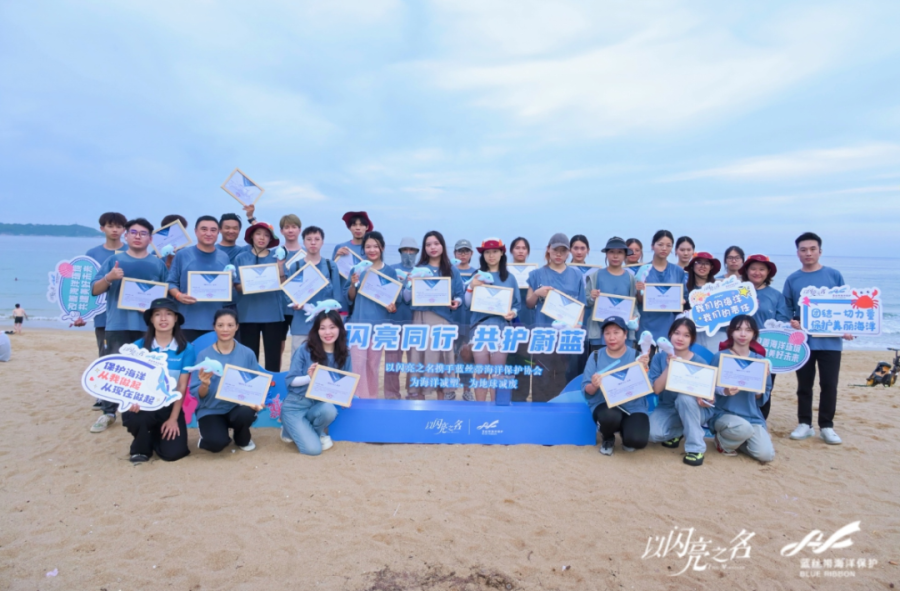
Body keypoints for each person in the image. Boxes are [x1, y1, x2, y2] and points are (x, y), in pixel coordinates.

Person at [90, 218, 168, 434]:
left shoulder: (157, 264)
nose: (138, 236)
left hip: (147, 326)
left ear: (150, 239)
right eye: (133, 232)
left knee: (147, 368)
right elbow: (95, 290)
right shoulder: (114, 261)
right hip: (118, 324)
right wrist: (109, 277)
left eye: (143, 233)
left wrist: (153, 308)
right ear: (126, 235)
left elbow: (165, 294)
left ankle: (143, 408)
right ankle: (108, 412)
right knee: (113, 368)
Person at [782, 232, 853, 445]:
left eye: (812, 249)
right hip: (803, 342)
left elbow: (846, 305)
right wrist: (792, 322)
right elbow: (787, 309)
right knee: (804, 385)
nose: (808, 253)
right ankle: (805, 423)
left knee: (829, 385)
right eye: (803, 250)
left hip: (830, 342)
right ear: (797, 253)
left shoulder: (834, 275)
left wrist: (848, 328)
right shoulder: (793, 279)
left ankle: (827, 426)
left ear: (820, 251)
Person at [123, 298, 194, 463]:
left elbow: (181, 386)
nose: (163, 318)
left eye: (168, 314)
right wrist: (131, 399)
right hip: (143, 404)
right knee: (137, 418)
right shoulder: (137, 347)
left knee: (174, 453)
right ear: (151, 319)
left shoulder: (186, 349)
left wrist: (173, 419)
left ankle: (155, 433)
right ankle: (140, 448)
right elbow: (126, 379)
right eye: (157, 314)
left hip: (169, 406)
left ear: (175, 319)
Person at [189, 309, 262, 453]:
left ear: (237, 327)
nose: (225, 329)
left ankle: (241, 436)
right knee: (216, 444)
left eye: (230, 325)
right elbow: (197, 393)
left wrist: (257, 400)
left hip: (237, 407)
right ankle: (214, 434)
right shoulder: (204, 355)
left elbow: (255, 384)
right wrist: (204, 385)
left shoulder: (247, 353)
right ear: (214, 327)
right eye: (220, 325)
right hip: (211, 409)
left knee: (246, 412)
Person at [526, 233, 586, 402]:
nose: (559, 254)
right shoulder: (536, 274)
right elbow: (529, 303)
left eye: (563, 250)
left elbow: (581, 304)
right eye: (555, 250)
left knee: (565, 375)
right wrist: (537, 293)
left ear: (568, 253)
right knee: (541, 375)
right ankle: (539, 409)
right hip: (544, 333)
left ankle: (563, 409)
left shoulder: (576, 275)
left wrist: (578, 325)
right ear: (548, 249)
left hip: (567, 336)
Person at [404, 231, 464, 400]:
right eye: (428, 244)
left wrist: (456, 302)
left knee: (441, 361)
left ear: (442, 246)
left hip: (442, 320)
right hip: (420, 319)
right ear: (424, 248)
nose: (433, 247)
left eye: (436, 243)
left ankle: (442, 403)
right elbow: (406, 298)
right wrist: (409, 284)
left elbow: (459, 294)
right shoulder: (417, 270)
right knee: (418, 358)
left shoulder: (452, 271)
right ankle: (417, 402)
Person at [281, 309, 351, 455]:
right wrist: (310, 378)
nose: (327, 332)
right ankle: (289, 429)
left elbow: (347, 381)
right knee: (313, 450)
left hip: (319, 404)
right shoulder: (304, 349)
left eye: (332, 327)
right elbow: (290, 381)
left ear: (340, 328)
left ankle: (307, 431)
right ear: (316, 330)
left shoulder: (345, 353)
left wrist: (347, 397)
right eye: (322, 328)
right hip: (296, 405)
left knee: (330, 410)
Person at [708, 315, 775, 463]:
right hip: (724, 414)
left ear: (754, 333)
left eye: (748, 330)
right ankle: (723, 442)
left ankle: (740, 441)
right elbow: (709, 387)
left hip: (751, 416)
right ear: (731, 332)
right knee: (743, 429)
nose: (743, 334)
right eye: (738, 329)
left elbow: (761, 396)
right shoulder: (720, 357)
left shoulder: (760, 361)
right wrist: (725, 391)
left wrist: (760, 384)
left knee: (766, 455)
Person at [647, 318, 712, 466]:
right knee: (651, 434)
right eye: (677, 333)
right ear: (670, 334)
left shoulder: (700, 361)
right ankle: (680, 431)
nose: (680, 338)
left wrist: (704, 399)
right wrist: (670, 366)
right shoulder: (659, 358)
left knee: (685, 398)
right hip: (668, 408)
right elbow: (657, 389)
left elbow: (709, 396)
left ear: (692, 339)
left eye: (686, 335)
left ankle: (696, 448)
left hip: (695, 409)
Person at [582, 317, 651, 455]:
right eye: (607, 333)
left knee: (637, 441)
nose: (611, 337)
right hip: (604, 405)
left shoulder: (637, 356)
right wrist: (594, 385)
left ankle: (627, 432)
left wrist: (644, 369)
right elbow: (586, 391)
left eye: (616, 332)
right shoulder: (595, 356)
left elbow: (647, 386)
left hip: (633, 406)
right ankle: (608, 437)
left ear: (625, 334)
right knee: (610, 416)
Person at [464, 238, 520, 401]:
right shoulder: (477, 275)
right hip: (480, 328)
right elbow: (467, 303)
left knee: (497, 372)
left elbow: (516, 305)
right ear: (482, 255)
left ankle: (496, 407)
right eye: (487, 252)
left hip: (501, 328)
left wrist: (512, 313)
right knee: (481, 371)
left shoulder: (510, 278)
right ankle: (481, 407)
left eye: (495, 251)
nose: (491, 255)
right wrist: (470, 287)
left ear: (502, 253)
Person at [346, 231, 399, 398]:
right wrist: (353, 284)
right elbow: (350, 298)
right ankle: (358, 400)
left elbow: (393, 301)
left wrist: (392, 307)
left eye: (376, 246)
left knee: (373, 366)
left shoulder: (390, 272)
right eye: (368, 246)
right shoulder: (357, 269)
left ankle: (371, 399)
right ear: (363, 249)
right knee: (357, 366)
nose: (372, 250)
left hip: (378, 327)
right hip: (358, 325)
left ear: (382, 248)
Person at [167, 216, 232, 342]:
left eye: (213, 230)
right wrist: (179, 296)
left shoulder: (224, 257)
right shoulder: (182, 255)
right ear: (196, 231)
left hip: (216, 323)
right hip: (187, 321)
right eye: (204, 229)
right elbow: (170, 283)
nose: (208, 233)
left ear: (218, 233)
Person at [741, 254, 790, 420]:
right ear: (746, 271)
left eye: (762, 269)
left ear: (768, 272)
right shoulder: (736, 292)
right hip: (738, 347)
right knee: (737, 382)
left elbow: (783, 322)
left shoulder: (776, 296)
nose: (757, 272)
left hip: (766, 350)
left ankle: (760, 421)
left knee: (763, 387)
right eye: (753, 268)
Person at [233, 221, 284, 372]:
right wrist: (252, 284)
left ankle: (273, 385)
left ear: (270, 239)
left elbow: (283, 283)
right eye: (258, 234)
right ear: (252, 237)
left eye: (266, 235)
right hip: (248, 314)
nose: (262, 238)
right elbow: (237, 286)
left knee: (273, 359)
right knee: (249, 358)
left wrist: (280, 266)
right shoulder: (241, 258)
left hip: (273, 314)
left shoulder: (276, 257)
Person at [286, 226, 344, 352]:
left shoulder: (330, 266)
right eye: (309, 239)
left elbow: (337, 297)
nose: (313, 242)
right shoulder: (296, 267)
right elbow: (288, 296)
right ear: (303, 242)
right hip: (301, 324)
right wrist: (295, 304)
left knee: (326, 359)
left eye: (317, 239)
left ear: (322, 242)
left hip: (325, 327)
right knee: (299, 358)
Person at [83, 212, 127, 359]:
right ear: (102, 228)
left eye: (119, 227)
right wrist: (80, 314)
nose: (115, 230)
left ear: (124, 230)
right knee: (106, 358)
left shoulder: (132, 251)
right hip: (103, 317)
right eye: (110, 226)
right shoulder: (92, 254)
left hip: (129, 316)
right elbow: (87, 286)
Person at [585, 237, 637, 351]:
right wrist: (592, 297)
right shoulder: (595, 276)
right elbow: (585, 301)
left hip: (622, 334)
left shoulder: (630, 278)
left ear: (625, 255)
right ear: (606, 254)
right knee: (598, 360)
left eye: (620, 252)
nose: (615, 256)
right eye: (612, 252)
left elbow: (633, 304)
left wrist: (635, 318)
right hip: (599, 334)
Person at [384, 237, 419, 399]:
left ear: (417, 252)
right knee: (392, 363)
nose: (408, 253)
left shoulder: (422, 271)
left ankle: (413, 393)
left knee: (415, 363)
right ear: (400, 252)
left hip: (416, 324)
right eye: (405, 250)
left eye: (412, 250)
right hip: (393, 322)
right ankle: (392, 395)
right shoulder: (391, 269)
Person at [635, 230, 686, 342]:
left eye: (668, 245)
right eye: (660, 244)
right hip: (646, 322)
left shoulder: (678, 271)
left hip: (668, 323)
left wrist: (681, 301)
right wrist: (639, 290)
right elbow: (638, 300)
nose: (664, 248)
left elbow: (683, 297)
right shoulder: (643, 269)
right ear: (652, 246)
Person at [508, 237, 534, 402]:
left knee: (524, 361)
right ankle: (507, 396)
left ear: (528, 252)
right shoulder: (505, 273)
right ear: (511, 251)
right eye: (517, 247)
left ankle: (521, 397)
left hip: (527, 320)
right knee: (509, 361)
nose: (520, 251)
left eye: (524, 248)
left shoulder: (533, 273)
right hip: (508, 321)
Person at [684, 252, 726, 353]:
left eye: (707, 263)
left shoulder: (720, 288)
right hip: (692, 334)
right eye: (698, 262)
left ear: (711, 267)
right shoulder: (683, 289)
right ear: (692, 265)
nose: (703, 266)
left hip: (717, 334)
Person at [453, 239, 477, 400]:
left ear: (471, 254)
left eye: (466, 251)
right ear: (454, 253)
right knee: (450, 357)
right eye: (460, 251)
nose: (463, 254)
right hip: (451, 321)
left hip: (469, 322)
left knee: (467, 357)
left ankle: (467, 389)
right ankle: (449, 389)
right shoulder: (448, 272)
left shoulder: (478, 273)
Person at [278, 214, 304, 356]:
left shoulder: (307, 253)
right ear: (281, 231)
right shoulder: (276, 253)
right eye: (286, 227)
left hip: (301, 307)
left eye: (294, 227)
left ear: (299, 230)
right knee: (278, 346)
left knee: (302, 345)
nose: (290, 230)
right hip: (279, 307)